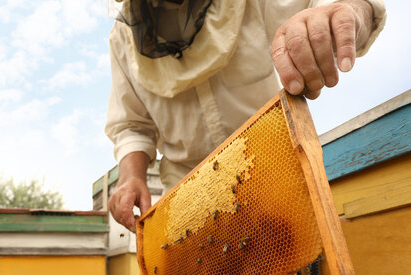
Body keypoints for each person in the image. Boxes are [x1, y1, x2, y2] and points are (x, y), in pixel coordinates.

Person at [105, 0, 386, 232]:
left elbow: (337, 6)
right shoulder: (121, 38)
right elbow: (132, 126)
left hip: (273, 179)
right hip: (188, 204)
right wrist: (131, 176)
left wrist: (346, 13)